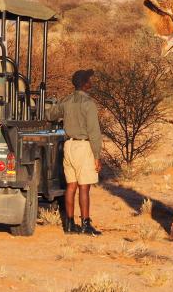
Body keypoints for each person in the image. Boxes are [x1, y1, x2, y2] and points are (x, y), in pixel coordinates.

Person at [48, 69, 103, 236]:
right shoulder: (89, 103)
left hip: (68, 146)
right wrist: (97, 156)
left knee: (71, 186)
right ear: (85, 83)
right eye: (89, 79)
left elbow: (50, 115)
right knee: (84, 187)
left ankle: (70, 225)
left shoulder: (66, 100)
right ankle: (86, 224)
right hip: (84, 147)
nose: (91, 82)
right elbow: (94, 132)